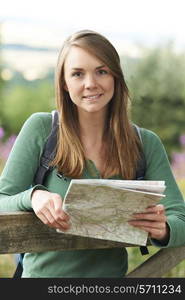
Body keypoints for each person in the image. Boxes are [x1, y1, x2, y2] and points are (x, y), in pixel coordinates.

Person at [0, 29, 185, 278]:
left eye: (101, 71)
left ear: (116, 78)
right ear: (64, 83)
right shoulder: (42, 129)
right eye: (77, 74)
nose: (90, 83)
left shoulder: (145, 143)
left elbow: (180, 218)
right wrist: (34, 197)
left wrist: (164, 229)